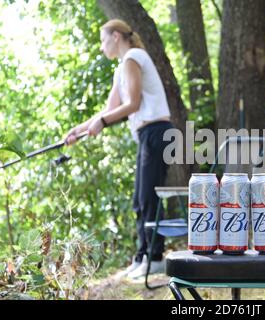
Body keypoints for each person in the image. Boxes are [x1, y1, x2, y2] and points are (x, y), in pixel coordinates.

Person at [64, 19, 173, 278]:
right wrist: (78, 131)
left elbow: (133, 103)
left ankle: (155, 256)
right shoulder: (120, 70)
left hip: (158, 132)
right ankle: (142, 256)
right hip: (147, 135)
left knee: (149, 197)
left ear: (115, 36)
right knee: (139, 200)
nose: (101, 48)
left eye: (102, 41)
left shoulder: (134, 56)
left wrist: (101, 123)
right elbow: (109, 110)